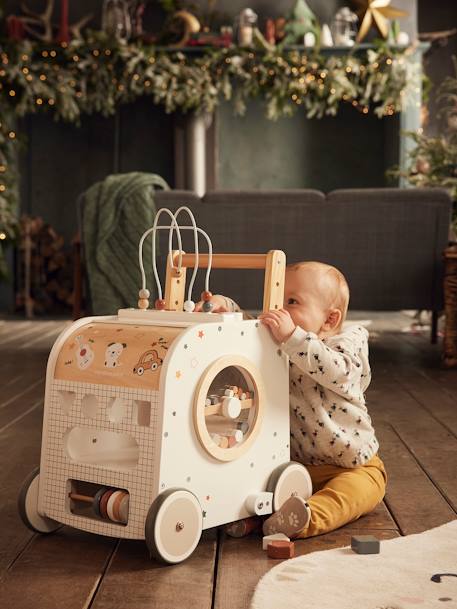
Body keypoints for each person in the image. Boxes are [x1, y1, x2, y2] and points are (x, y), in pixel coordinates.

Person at [198, 261, 386, 540]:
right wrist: (228, 311)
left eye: (292, 301)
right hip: (293, 467)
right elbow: (252, 331)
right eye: (277, 299)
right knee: (256, 485)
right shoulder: (282, 340)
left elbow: (339, 371)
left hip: (352, 464)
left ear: (330, 320)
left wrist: (292, 337)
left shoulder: (347, 344)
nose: (279, 310)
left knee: (357, 492)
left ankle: (306, 517)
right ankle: (249, 519)